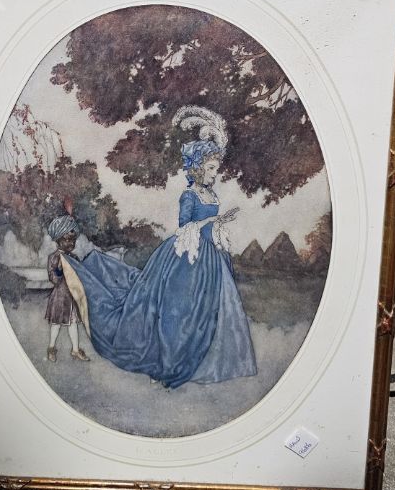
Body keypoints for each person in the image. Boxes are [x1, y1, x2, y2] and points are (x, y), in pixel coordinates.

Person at [65, 106, 257, 388]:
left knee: (208, 310)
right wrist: (213, 220)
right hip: (186, 257)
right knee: (179, 310)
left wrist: (218, 225)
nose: (215, 174)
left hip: (212, 259)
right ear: (198, 167)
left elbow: (209, 224)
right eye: (211, 169)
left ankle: (203, 359)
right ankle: (171, 361)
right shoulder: (189, 195)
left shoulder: (211, 194)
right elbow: (184, 227)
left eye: (216, 169)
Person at [45, 215, 90, 363]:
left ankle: (75, 350)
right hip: (60, 298)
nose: (71, 243)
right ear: (58, 240)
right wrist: (59, 270)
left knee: (73, 324)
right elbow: (54, 279)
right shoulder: (54, 258)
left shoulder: (74, 258)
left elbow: (81, 276)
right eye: (67, 239)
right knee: (56, 324)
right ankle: (51, 348)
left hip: (72, 297)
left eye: (73, 240)